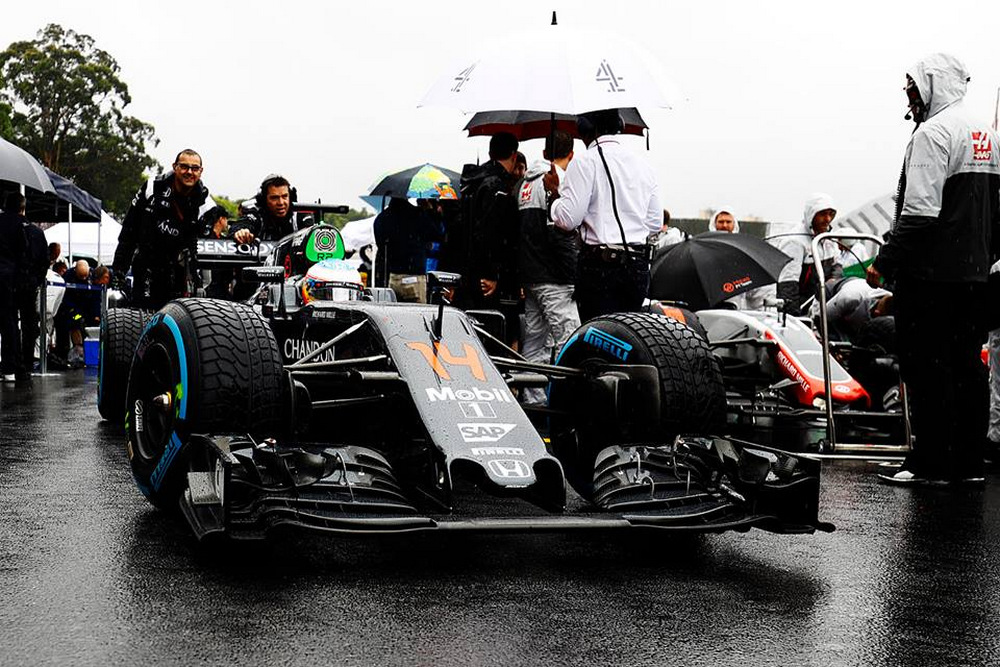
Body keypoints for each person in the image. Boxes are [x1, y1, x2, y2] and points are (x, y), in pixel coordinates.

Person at [867, 53, 1000, 486]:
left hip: (931, 277)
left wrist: (884, 263)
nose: (909, 97)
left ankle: (929, 464)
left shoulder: (933, 132)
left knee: (927, 368)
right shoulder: (986, 133)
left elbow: (920, 213)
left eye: (912, 87)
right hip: (975, 276)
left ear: (932, 84)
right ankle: (967, 464)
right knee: (968, 367)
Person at [545, 109, 661, 322]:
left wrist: (554, 196)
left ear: (585, 128)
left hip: (599, 268)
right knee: (627, 335)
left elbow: (568, 220)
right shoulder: (644, 166)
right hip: (637, 267)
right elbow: (655, 223)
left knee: (600, 336)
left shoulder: (584, 162)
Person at [517, 130, 581, 404]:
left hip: (531, 274)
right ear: (572, 154)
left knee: (534, 341)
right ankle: (569, 401)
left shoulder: (524, 183)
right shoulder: (558, 180)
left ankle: (532, 399)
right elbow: (561, 233)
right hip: (555, 278)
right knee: (570, 338)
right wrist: (573, 275)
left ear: (544, 152)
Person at [112, 149, 214, 309]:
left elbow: (208, 247)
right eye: (184, 167)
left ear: (200, 171)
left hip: (180, 272)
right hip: (147, 265)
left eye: (194, 168)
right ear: (175, 167)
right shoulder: (152, 188)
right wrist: (119, 269)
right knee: (144, 314)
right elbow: (129, 231)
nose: (189, 172)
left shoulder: (205, 202)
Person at [459, 132, 521, 316]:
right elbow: (490, 231)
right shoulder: (496, 186)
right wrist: (491, 273)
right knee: (491, 322)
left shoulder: (472, 183)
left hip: (468, 267)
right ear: (514, 155)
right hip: (487, 276)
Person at [774, 193, 842, 315]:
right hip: (801, 306)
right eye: (823, 214)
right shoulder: (794, 241)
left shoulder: (829, 239)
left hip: (821, 305)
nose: (827, 219)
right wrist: (793, 317)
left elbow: (837, 266)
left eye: (831, 214)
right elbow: (788, 283)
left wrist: (833, 281)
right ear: (811, 214)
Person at [372, 197, 444, 303]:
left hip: (393, 277)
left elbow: (381, 246)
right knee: (418, 312)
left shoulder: (381, 218)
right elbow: (436, 234)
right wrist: (429, 210)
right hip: (414, 275)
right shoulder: (418, 214)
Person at [15, 199, 50, 380]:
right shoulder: (36, 232)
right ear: (23, 208)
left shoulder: (6, 228)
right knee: (29, 324)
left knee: (10, 323)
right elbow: (44, 260)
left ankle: (12, 362)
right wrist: (37, 279)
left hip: (10, 283)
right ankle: (26, 364)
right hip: (29, 284)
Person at [0, 192, 27, 382]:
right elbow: (24, 252)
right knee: (9, 323)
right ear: (21, 207)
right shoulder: (21, 225)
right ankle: (10, 367)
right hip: (10, 280)